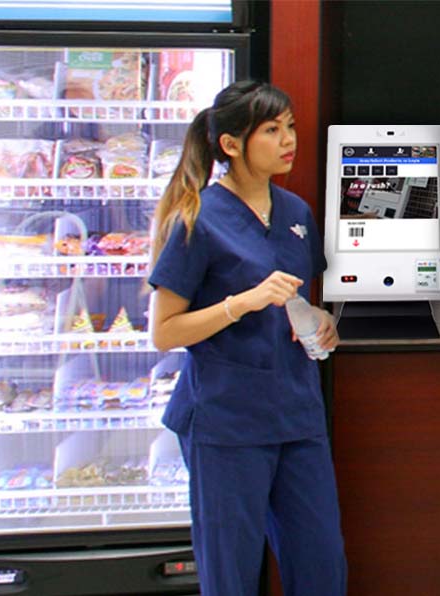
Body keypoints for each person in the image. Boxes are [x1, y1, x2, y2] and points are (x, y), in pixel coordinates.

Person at [148, 80, 347, 596]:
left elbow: (298, 302)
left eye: (291, 127)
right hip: (226, 422)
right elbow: (164, 332)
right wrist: (243, 302)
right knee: (231, 574)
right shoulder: (198, 220)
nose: (289, 140)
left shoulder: (297, 214)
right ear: (232, 145)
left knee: (321, 567)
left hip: (296, 414)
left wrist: (321, 320)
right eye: (272, 130)